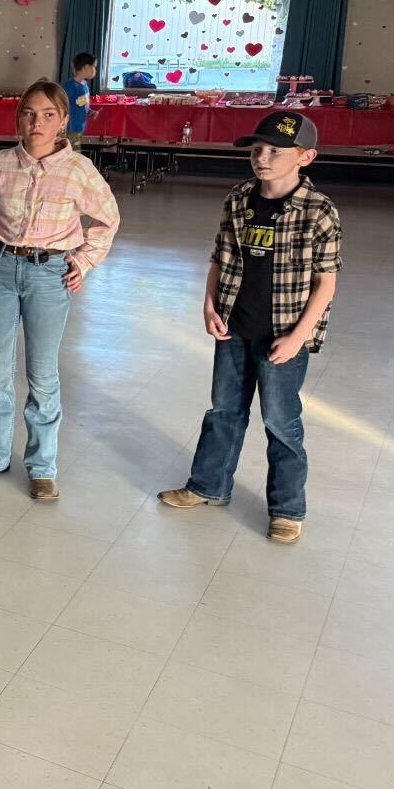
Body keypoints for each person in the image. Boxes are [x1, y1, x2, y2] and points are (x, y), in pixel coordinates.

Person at [159, 112, 341, 544]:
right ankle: (209, 485)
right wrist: (209, 306)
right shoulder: (238, 198)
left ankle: (287, 508)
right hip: (234, 328)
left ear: (306, 157)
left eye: (276, 151)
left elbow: (326, 283)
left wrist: (297, 338)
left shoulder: (319, 211)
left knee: (280, 421)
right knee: (223, 410)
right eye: (257, 149)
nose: (262, 158)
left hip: (283, 336)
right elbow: (219, 258)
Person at [0, 81, 119, 500]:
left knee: (42, 374)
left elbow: (107, 219)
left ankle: (42, 466)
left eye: (48, 115)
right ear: (18, 118)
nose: (37, 122)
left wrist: (83, 261)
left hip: (50, 274)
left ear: (63, 121)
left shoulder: (79, 169)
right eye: (29, 113)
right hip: (0, 269)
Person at [63, 54, 97, 148]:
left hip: (79, 128)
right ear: (86, 67)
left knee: (74, 152)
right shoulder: (69, 87)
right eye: (94, 67)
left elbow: (81, 104)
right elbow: (61, 106)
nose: (95, 70)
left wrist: (90, 112)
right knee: (71, 153)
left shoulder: (84, 86)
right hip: (70, 129)